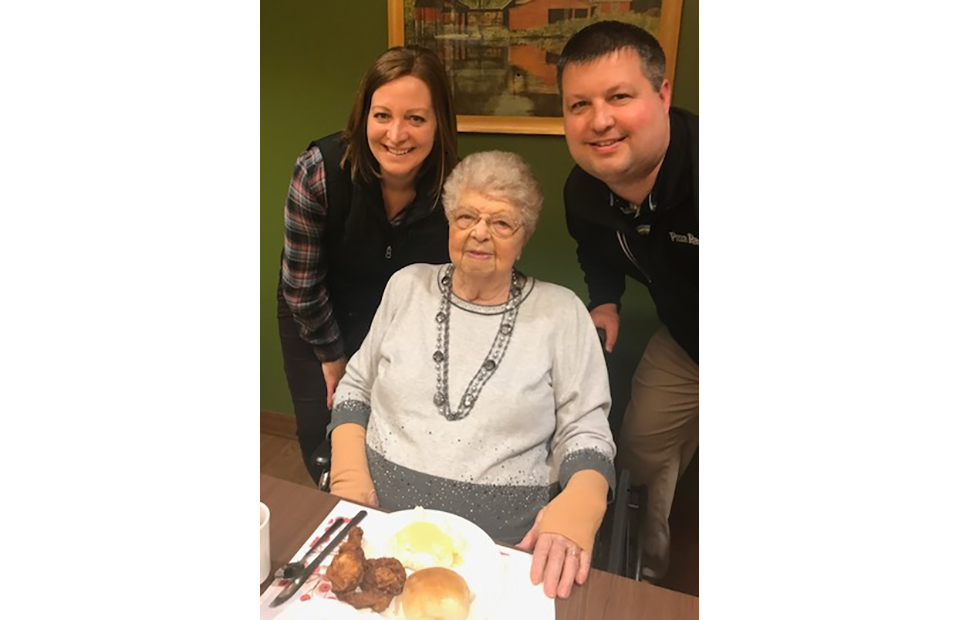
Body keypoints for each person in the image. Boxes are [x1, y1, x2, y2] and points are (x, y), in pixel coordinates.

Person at [328, 151, 617, 599]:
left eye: (501, 223)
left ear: (525, 237)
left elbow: (587, 429)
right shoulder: (406, 287)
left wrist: (581, 502)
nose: (479, 232)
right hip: (379, 530)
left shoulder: (562, 313)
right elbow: (356, 384)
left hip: (506, 549)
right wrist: (348, 472)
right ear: (449, 222)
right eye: (466, 216)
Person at [277, 47, 459, 484]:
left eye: (415, 118)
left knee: (393, 440)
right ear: (364, 117)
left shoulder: (456, 190)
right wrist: (333, 357)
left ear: (439, 124)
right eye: (382, 116)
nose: (396, 134)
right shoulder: (318, 171)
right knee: (325, 443)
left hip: (400, 328)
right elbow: (301, 287)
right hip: (316, 315)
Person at [557, 21, 698, 581]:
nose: (600, 120)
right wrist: (606, 300)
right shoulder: (583, 190)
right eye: (580, 104)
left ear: (662, 94)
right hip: (688, 342)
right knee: (638, 453)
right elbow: (595, 250)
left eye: (619, 96)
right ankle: (648, 572)